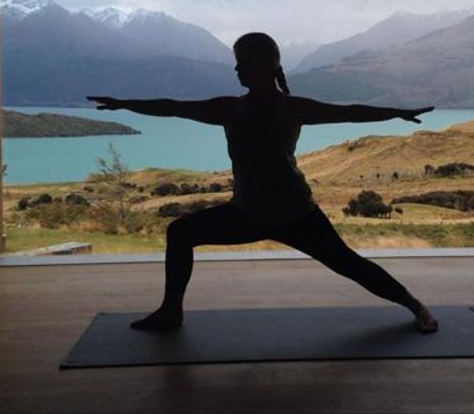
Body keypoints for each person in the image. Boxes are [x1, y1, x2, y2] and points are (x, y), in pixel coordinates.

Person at [87, 32, 439, 334]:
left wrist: (396, 112)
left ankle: (415, 306)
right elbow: (173, 107)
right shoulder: (229, 108)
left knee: (351, 265)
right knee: (180, 233)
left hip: (295, 214)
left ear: (265, 65)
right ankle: (170, 311)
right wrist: (124, 104)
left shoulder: (291, 107)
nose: (237, 69)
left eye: (242, 62)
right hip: (249, 212)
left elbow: (349, 111)